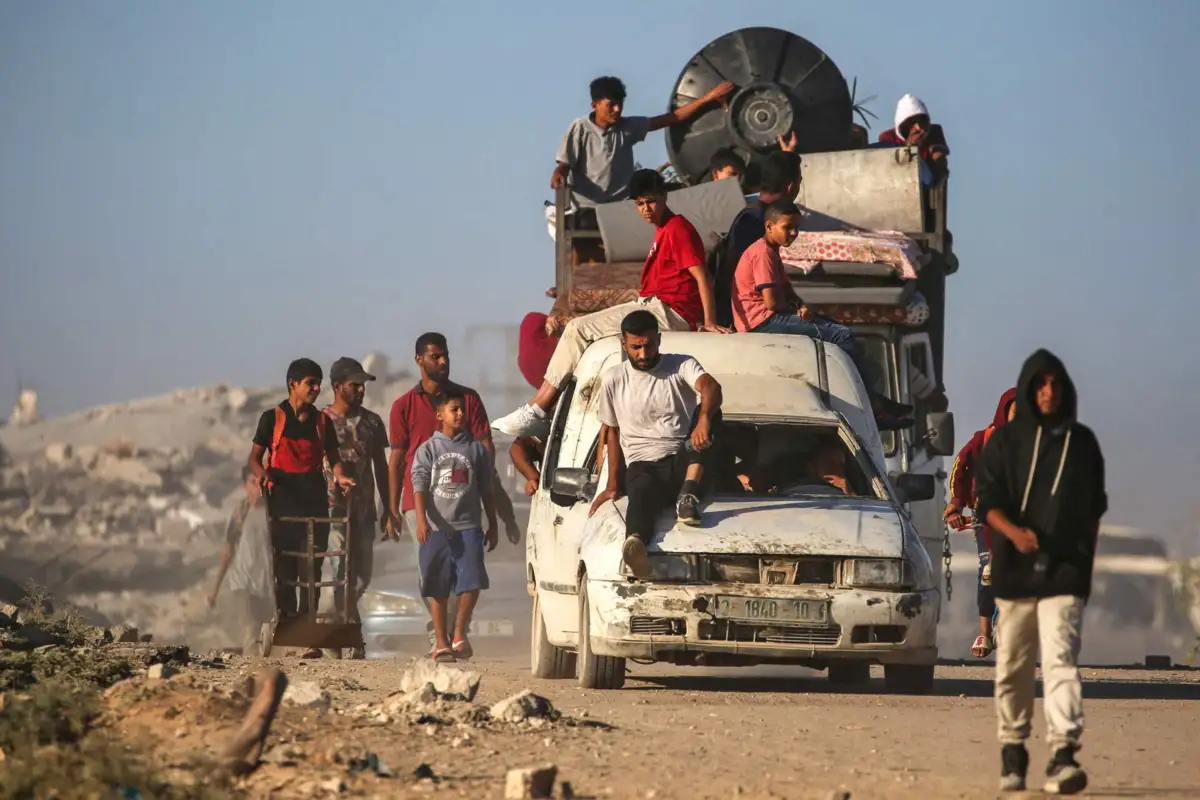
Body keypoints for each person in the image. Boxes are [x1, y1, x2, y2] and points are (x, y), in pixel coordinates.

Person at [495, 169, 729, 439]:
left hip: (665, 312)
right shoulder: (664, 230)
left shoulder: (678, 229)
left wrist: (708, 322)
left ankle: (538, 410)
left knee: (577, 329)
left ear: (664, 197)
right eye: (640, 203)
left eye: (651, 201)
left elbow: (702, 276)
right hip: (655, 307)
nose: (646, 209)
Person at [975, 350, 1107, 795]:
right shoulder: (1004, 444)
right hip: (1015, 573)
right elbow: (987, 504)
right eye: (1041, 384)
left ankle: (1063, 754)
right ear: (1030, 388)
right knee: (1012, 666)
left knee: (1060, 662)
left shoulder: (1082, 443)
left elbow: (1093, 511)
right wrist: (1014, 535)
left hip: (1065, 574)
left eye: (1056, 384)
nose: (1049, 392)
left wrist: (1085, 565)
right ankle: (1014, 751)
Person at [730, 199, 914, 430]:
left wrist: (800, 305)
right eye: (787, 228)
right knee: (841, 335)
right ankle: (874, 408)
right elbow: (772, 302)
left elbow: (787, 291)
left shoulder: (772, 252)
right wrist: (797, 310)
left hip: (768, 317)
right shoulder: (763, 254)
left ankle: (874, 399)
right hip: (761, 322)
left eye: (796, 228)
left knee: (835, 328)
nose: (793, 233)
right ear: (769, 226)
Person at [388, 334, 520, 633]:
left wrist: (501, 511)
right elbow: (396, 461)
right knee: (433, 571)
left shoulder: (467, 400)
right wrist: (392, 508)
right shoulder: (403, 406)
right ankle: (441, 636)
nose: (443, 361)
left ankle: (453, 633)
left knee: (465, 573)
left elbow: (486, 455)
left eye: (445, 355)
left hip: (463, 500)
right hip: (420, 502)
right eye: (435, 356)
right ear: (419, 359)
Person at [590, 310, 723, 578]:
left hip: (683, 460)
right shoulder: (613, 379)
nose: (643, 354)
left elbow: (711, 387)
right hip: (642, 465)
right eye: (635, 347)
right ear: (623, 344)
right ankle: (635, 547)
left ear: (659, 340)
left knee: (712, 411)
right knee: (639, 495)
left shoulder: (680, 365)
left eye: (648, 345)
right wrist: (612, 486)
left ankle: (688, 496)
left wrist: (704, 420)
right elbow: (612, 433)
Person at [248, 358, 354, 631]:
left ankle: (308, 623)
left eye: (318, 384)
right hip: (282, 501)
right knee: (285, 563)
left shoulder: (322, 422)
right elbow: (255, 457)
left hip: (314, 500)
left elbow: (333, 456)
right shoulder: (272, 419)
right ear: (292, 384)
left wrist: (340, 476)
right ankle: (286, 620)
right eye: (310, 383)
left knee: (312, 565)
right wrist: (261, 474)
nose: (317, 389)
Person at [551, 76, 735, 207]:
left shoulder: (627, 127)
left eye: (620, 104)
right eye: (610, 105)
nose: (617, 110)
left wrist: (709, 97)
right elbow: (564, 164)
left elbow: (673, 117)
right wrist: (558, 173)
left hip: (621, 206)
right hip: (586, 205)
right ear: (595, 105)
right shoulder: (580, 128)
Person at [411, 390, 498, 662]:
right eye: (454, 409)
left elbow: (487, 487)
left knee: (470, 582)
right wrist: (421, 519)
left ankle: (460, 634)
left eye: (462, 409)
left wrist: (492, 522)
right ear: (440, 415)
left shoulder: (475, 450)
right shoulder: (429, 449)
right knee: (437, 586)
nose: (460, 414)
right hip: (437, 528)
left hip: (469, 526)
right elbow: (420, 484)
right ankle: (441, 642)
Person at [322, 357, 390, 659]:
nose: (361, 390)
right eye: (355, 385)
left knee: (362, 576)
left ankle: (338, 626)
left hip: (363, 511)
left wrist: (389, 507)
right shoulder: (320, 422)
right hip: (332, 511)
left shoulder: (372, 422)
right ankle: (347, 636)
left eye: (363, 385)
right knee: (340, 572)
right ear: (338, 387)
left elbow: (381, 466)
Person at [944, 388, 1018, 659]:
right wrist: (956, 502)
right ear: (1004, 410)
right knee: (987, 569)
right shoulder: (984, 438)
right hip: (985, 515)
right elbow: (960, 466)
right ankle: (984, 633)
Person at [206, 467, 276, 655]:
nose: (258, 488)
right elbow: (228, 550)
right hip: (243, 581)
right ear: (245, 486)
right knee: (250, 631)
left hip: (267, 582)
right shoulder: (241, 512)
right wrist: (215, 590)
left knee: (270, 633)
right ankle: (251, 671)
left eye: (260, 482)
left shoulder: (274, 512)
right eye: (253, 483)